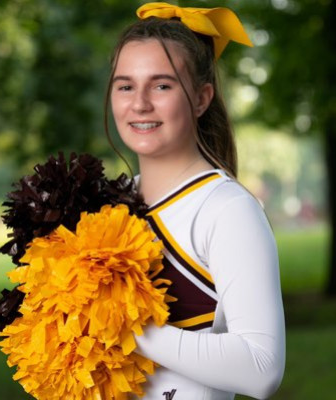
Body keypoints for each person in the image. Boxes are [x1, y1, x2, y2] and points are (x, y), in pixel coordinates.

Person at [105, 3, 285, 399]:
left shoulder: (226, 209)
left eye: (162, 86)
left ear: (202, 99)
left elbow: (262, 368)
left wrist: (125, 325)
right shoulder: (108, 207)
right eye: (125, 86)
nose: (140, 103)